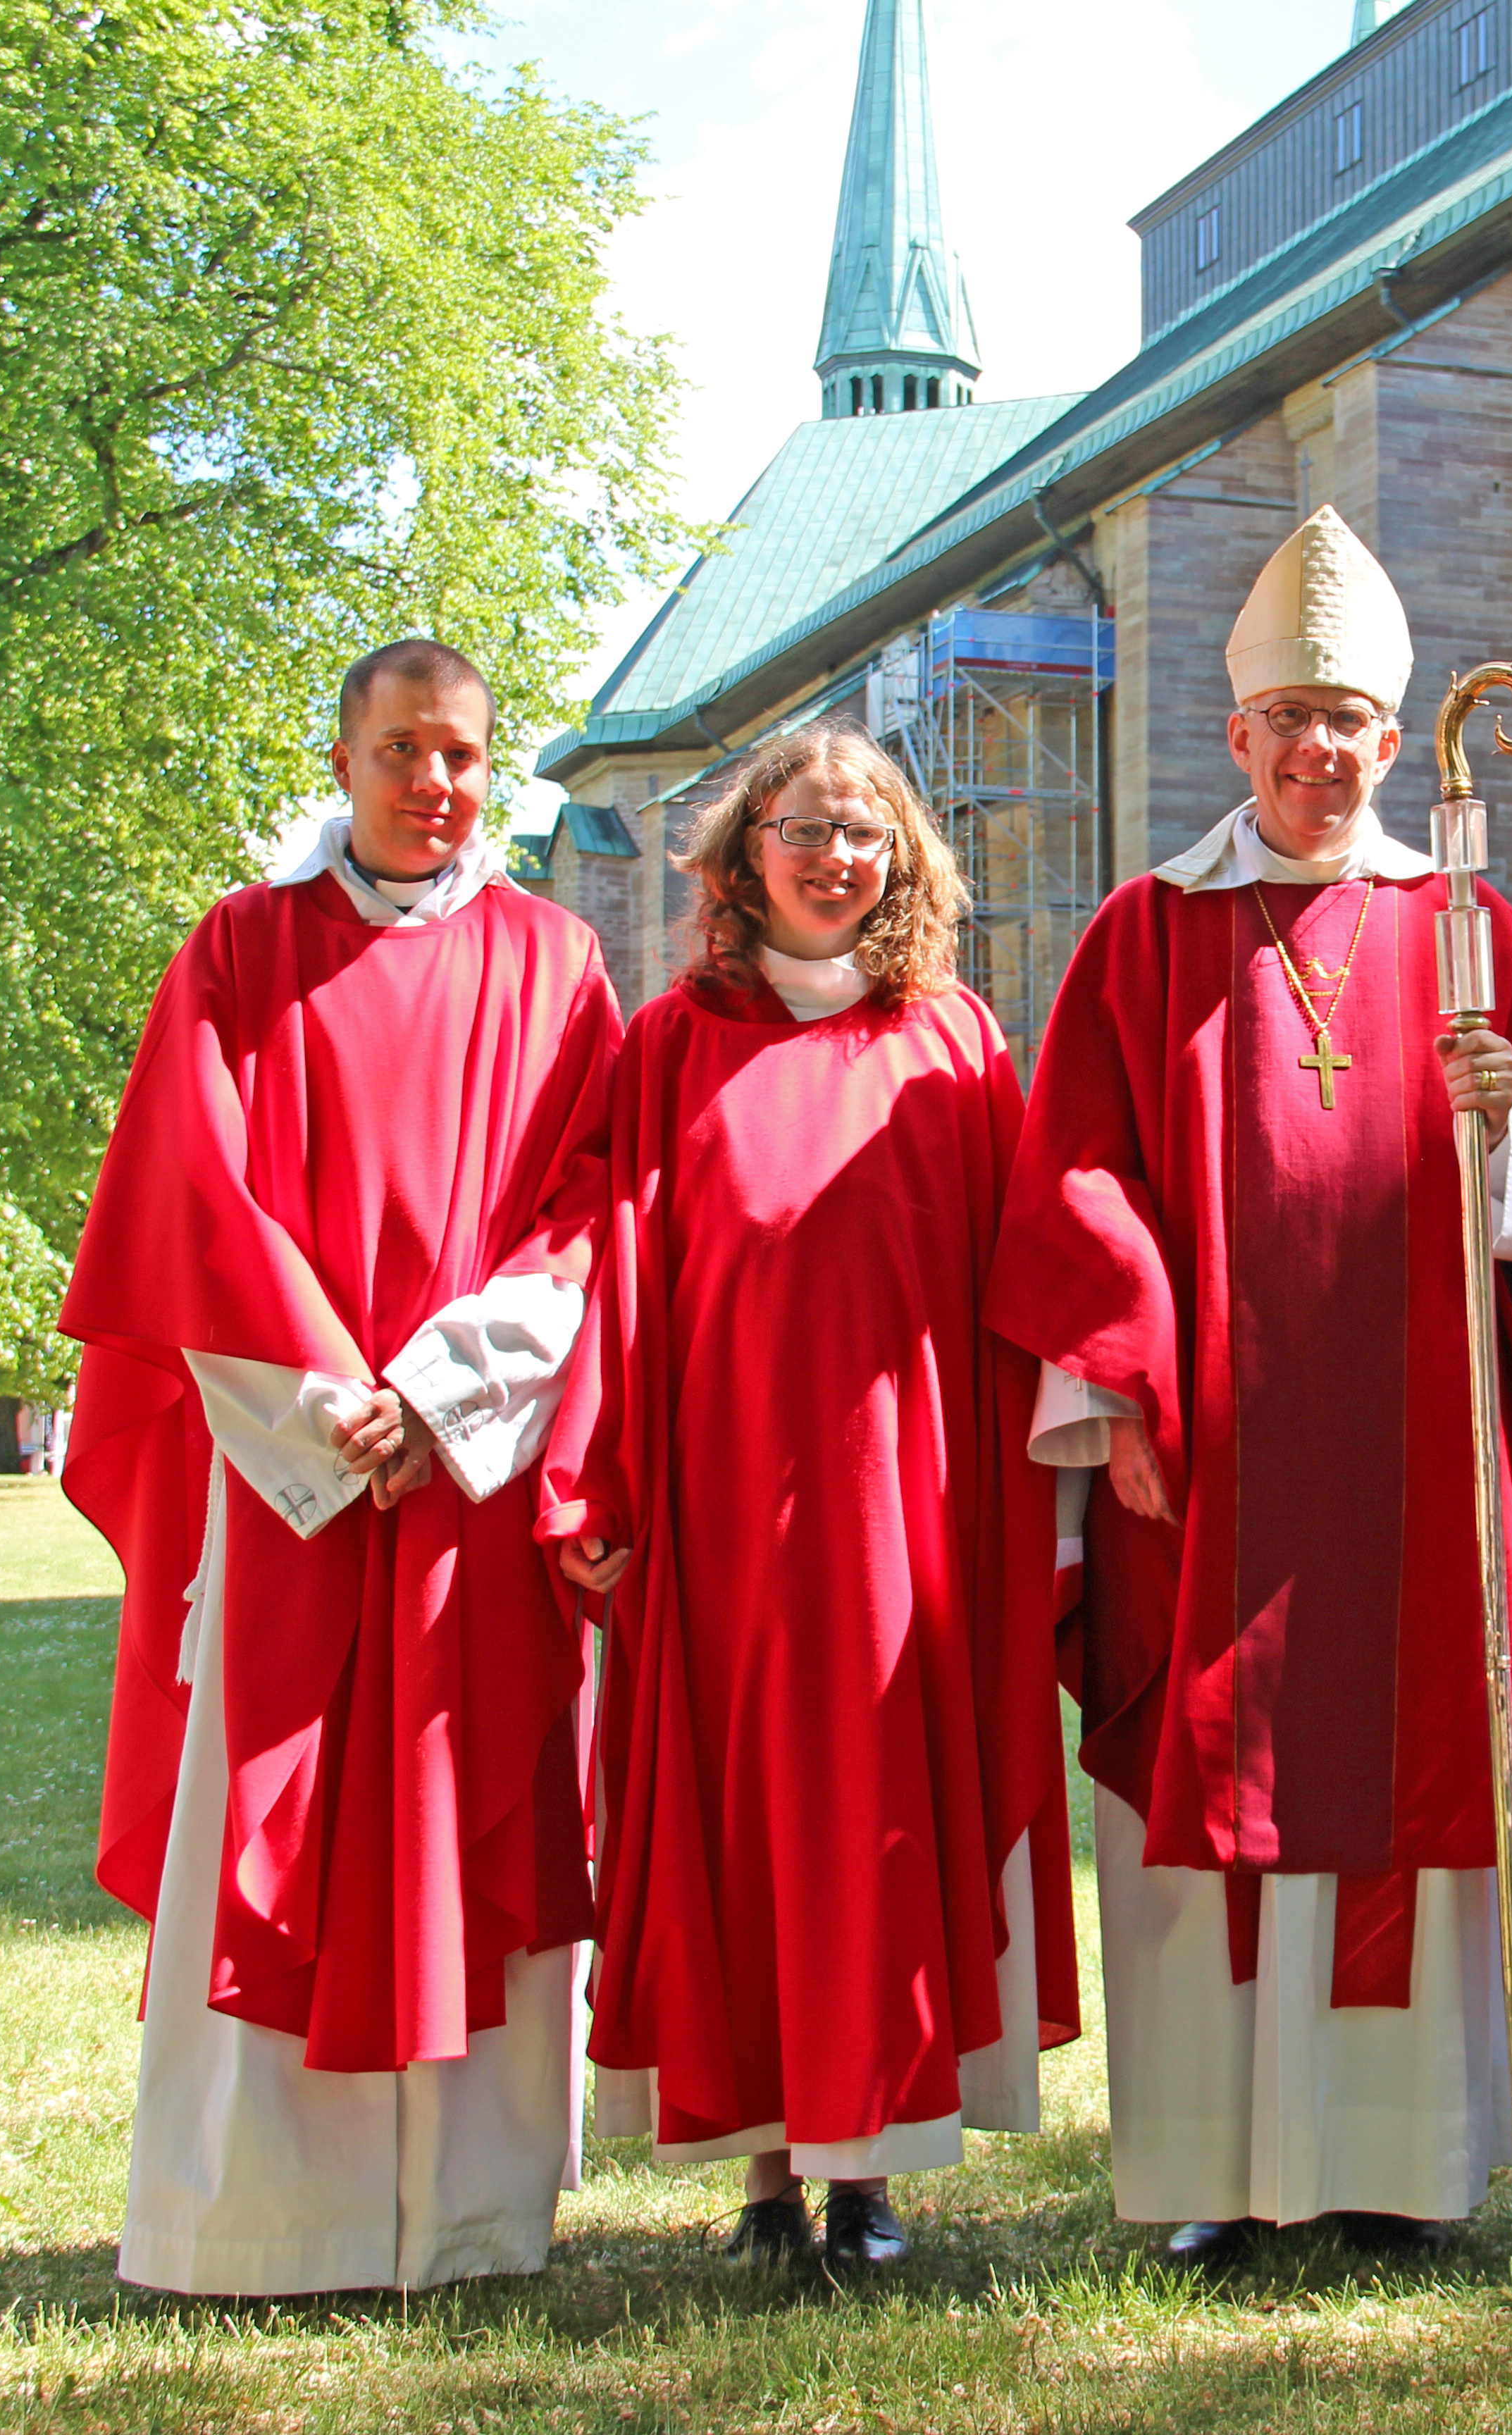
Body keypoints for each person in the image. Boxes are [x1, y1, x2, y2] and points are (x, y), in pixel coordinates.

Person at [988, 507, 1512, 2262]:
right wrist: (1119, 1402)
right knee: (1214, 1773)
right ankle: (1219, 2175)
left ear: (1392, 745)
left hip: (1414, 1448)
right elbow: (1080, 1180)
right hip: (1218, 1453)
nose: (1321, 750)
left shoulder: (1464, 931)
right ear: (1237, 736)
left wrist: (1506, 1135)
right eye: (1291, 720)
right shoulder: (1144, 937)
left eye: (1351, 721)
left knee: (1406, 1765)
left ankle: (1402, 2168)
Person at [59, 638, 619, 2293]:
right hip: (291, 1475)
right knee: (280, 1799)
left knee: (476, 1798)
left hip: (468, 1470)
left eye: (459, 754)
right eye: (399, 750)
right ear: (344, 753)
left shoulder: (559, 962)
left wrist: (442, 1395)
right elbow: (192, 1200)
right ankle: (259, 2222)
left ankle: (470, 2213)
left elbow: (591, 1208)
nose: (432, 783)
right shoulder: (240, 951)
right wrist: (331, 1407)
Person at [546, 723, 1077, 2270]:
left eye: (867, 834)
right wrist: (597, 1471)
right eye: (804, 829)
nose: (837, 857)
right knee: (749, 1820)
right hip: (726, 1512)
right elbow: (618, 1272)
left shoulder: (957, 1044)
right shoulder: (670, 1048)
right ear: (741, 855)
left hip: (909, 1510)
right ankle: (769, 2175)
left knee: (885, 1825)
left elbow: (1018, 1277)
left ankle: (874, 2173)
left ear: (904, 862)